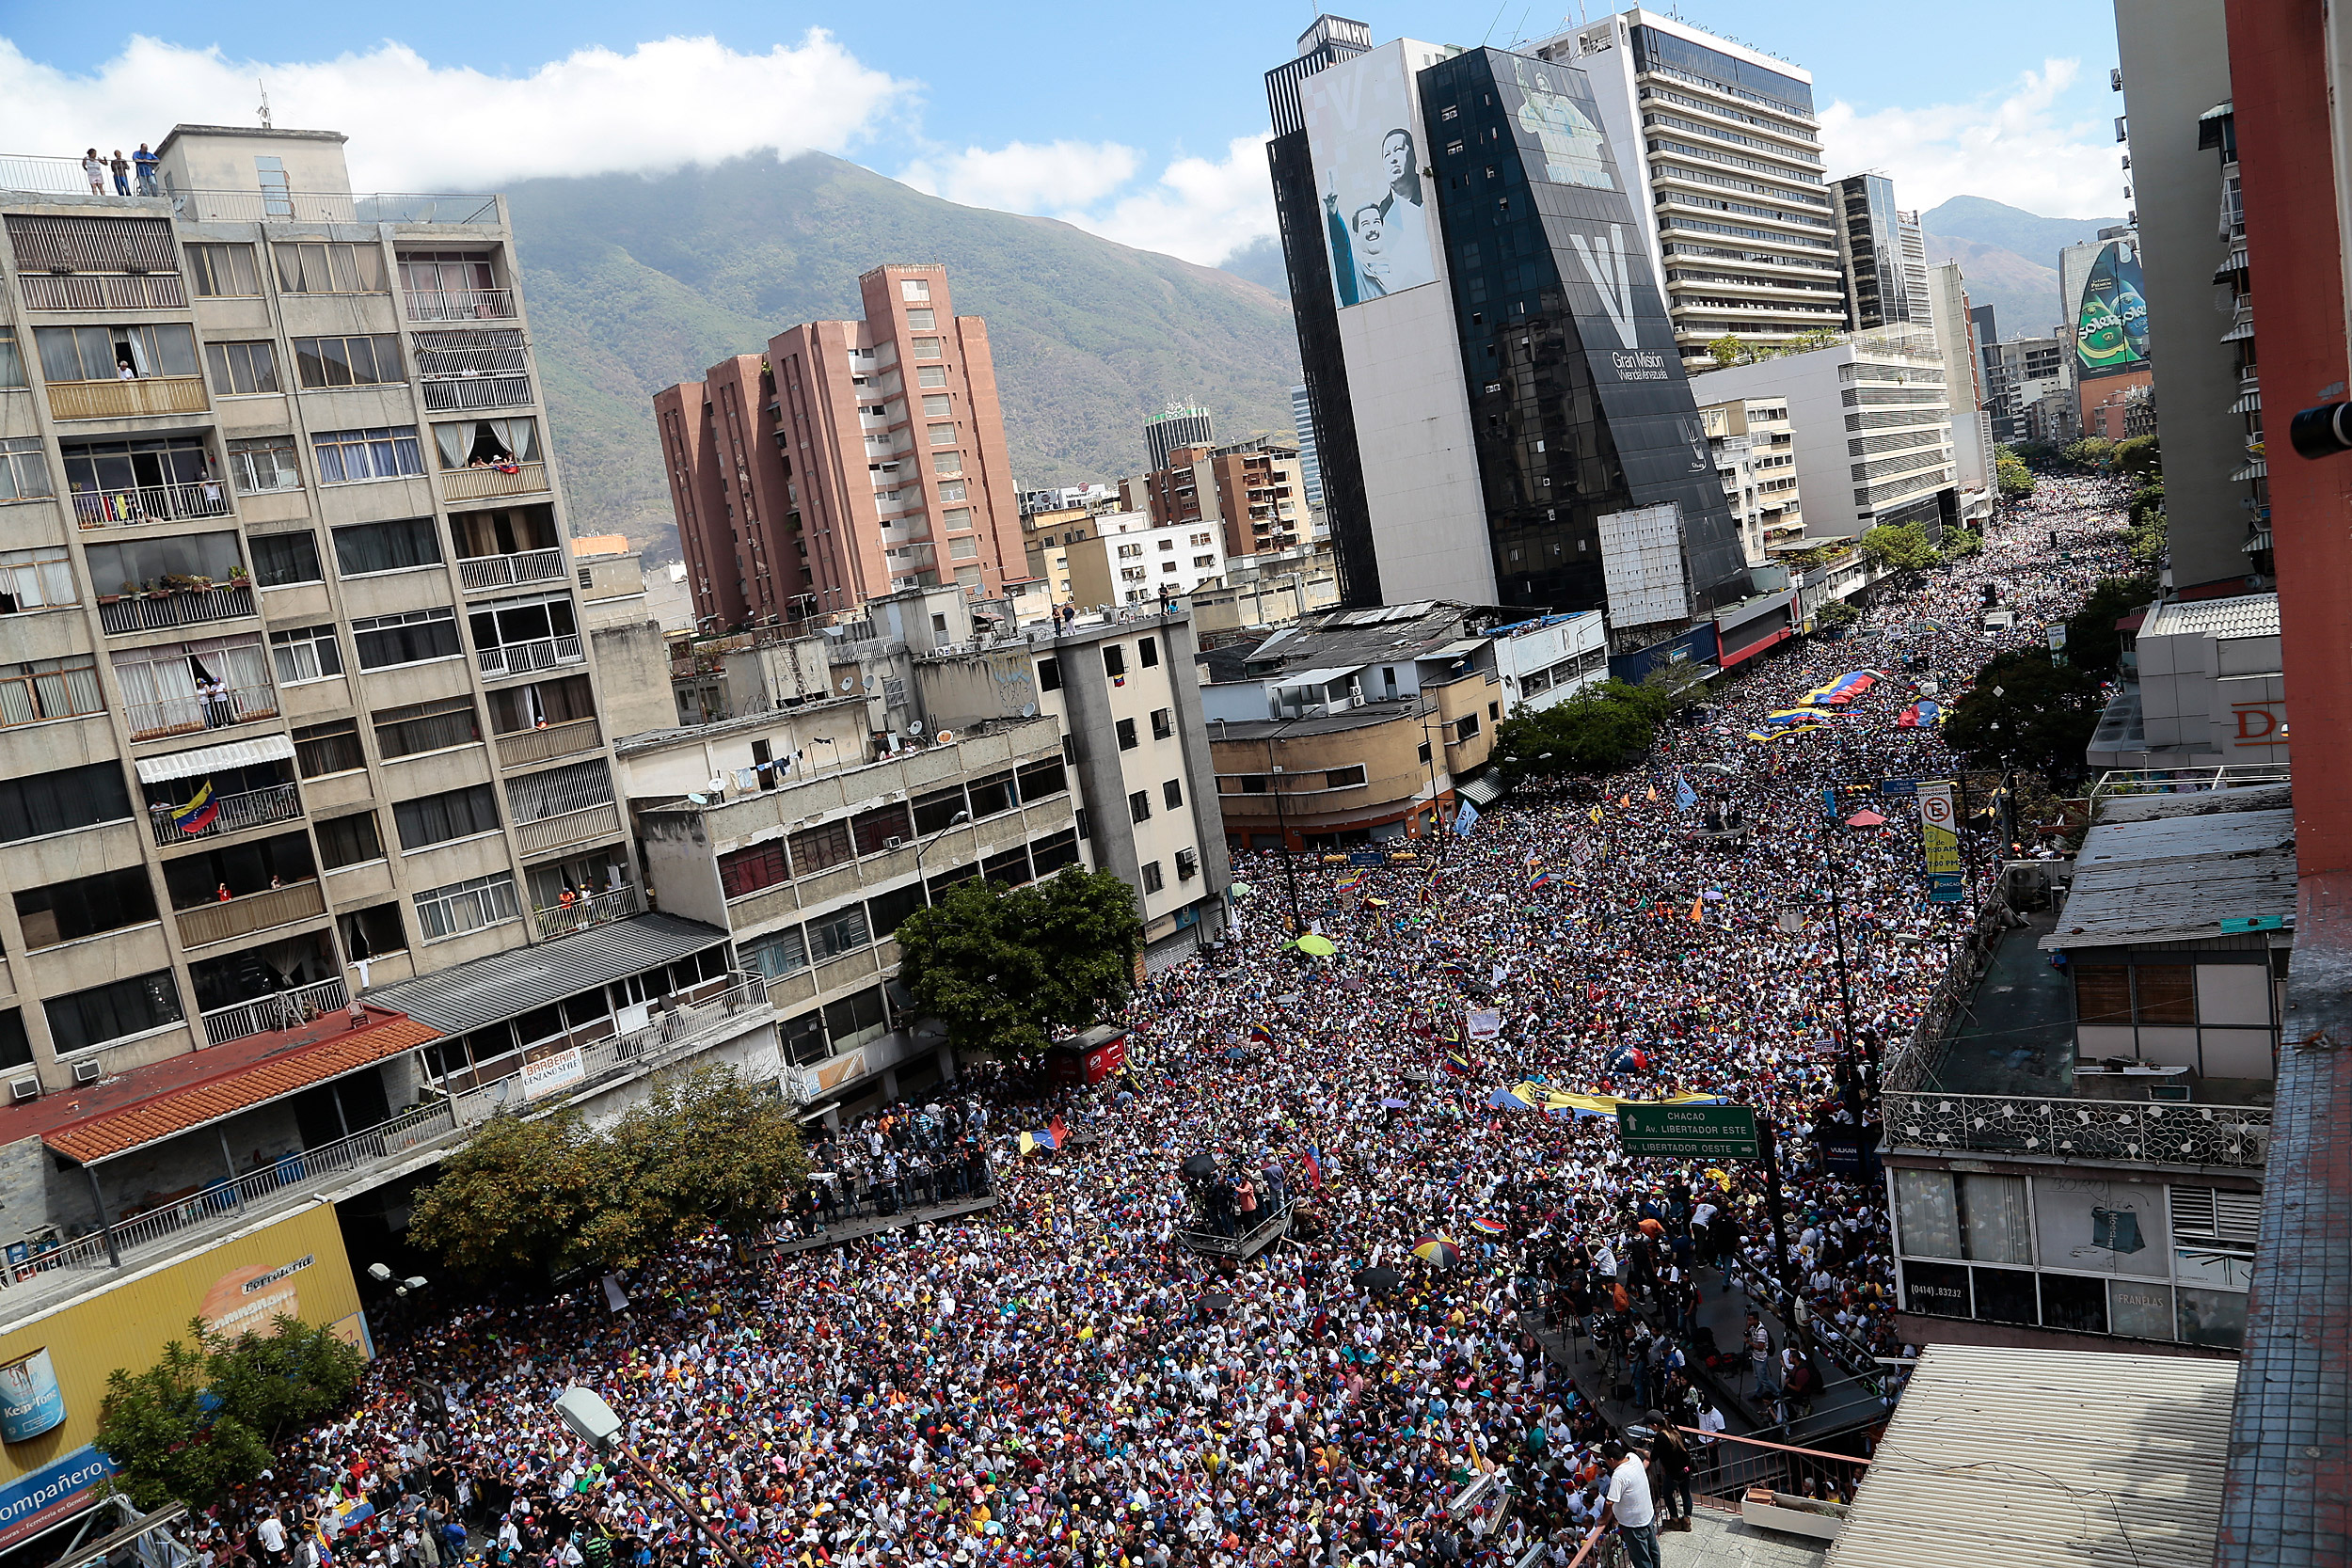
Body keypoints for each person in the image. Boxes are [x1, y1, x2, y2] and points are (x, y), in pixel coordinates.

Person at [1594, 1438, 1660, 1568]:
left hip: (1634, 1524)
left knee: (1641, 1559)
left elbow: (1609, 1502)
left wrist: (1604, 1519)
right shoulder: (1633, 1457)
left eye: (1606, 1460)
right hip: (1647, 1515)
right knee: (1653, 1550)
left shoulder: (1619, 1475)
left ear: (1611, 1460)